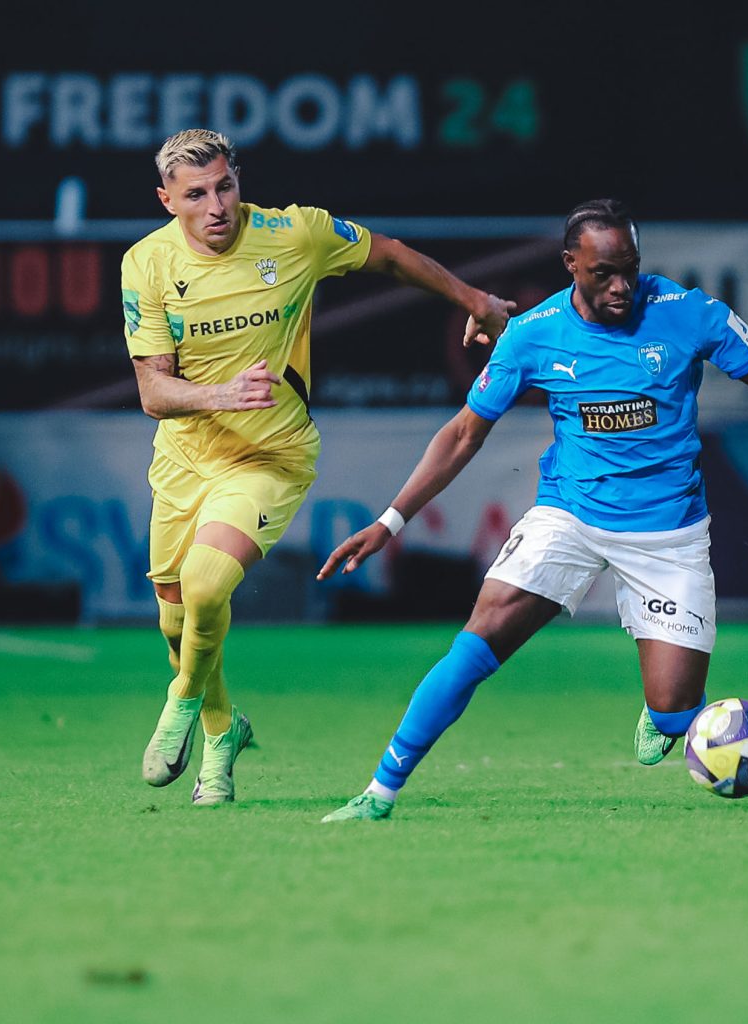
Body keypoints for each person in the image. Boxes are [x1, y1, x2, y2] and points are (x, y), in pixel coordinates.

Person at [316, 199, 748, 822]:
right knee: (476, 643)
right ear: (570, 263)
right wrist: (390, 522)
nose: (622, 286)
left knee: (676, 714)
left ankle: (666, 712)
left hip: (669, 535)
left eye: (630, 268)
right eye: (604, 273)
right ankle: (379, 791)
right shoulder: (532, 334)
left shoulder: (688, 312)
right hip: (568, 518)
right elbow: (464, 433)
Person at [125, 129, 514, 806]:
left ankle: (182, 697)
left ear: (238, 180)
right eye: (196, 195)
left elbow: (389, 255)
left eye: (225, 186)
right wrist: (222, 394)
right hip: (185, 461)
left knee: (206, 586)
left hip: (270, 455)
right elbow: (153, 392)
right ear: (167, 201)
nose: (216, 206)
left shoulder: (294, 234)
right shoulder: (147, 264)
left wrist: (473, 299)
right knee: (176, 623)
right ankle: (221, 731)